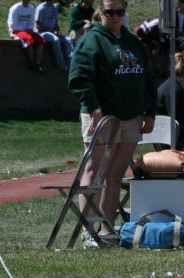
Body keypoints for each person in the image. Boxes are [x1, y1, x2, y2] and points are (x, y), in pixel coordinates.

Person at [68, 0, 156, 248]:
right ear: (101, 12)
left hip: (130, 117)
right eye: (110, 12)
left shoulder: (133, 42)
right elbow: (79, 78)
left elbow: (148, 78)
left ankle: (107, 228)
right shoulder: (92, 40)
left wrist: (151, 112)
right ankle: (87, 230)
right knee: (94, 170)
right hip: (102, 116)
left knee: (116, 173)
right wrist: (95, 107)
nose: (116, 17)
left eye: (120, 12)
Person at [7, 0, 44, 71]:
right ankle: (31, 63)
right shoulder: (15, 8)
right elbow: (12, 25)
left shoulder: (31, 8)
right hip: (16, 31)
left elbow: (31, 22)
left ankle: (38, 63)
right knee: (29, 39)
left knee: (40, 40)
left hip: (27, 31)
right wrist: (25, 30)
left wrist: (30, 29)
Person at [35, 0, 72, 70]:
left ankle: (72, 63)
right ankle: (61, 65)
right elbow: (38, 26)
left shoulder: (54, 8)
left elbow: (55, 24)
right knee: (56, 40)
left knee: (68, 39)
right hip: (42, 33)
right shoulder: (41, 8)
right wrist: (51, 31)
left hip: (53, 32)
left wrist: (58, 31)